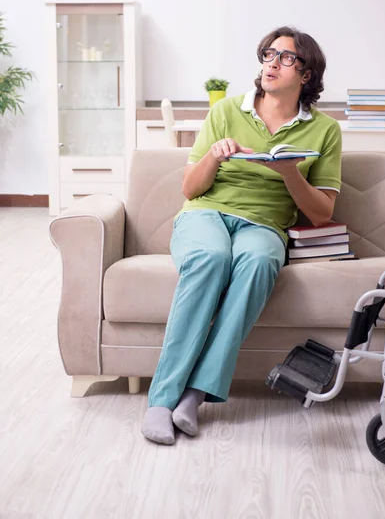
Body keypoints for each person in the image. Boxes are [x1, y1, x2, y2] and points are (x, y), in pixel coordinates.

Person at [141, 25, 342, 445]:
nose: (272, 62)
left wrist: (290, 175)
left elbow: (322, 212)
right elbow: (190, 188)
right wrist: (213, 156)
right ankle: (162, 400)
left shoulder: (324, 130)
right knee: (211, 259)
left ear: (306, 75)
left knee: (259, 261)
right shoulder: (226, 110)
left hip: (266, 224)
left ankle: (194, 397)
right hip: (206, 213)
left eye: (286, 57)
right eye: (269, 54)